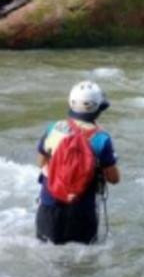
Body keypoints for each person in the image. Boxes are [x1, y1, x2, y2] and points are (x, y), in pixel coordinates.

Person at [35, 80, 120, 245]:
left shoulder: (53, 128)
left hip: (49, 206)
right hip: (82, 210)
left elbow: (41, 162)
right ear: (98, 109)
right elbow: (114, 179)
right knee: (82, 263)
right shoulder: (102, 138)